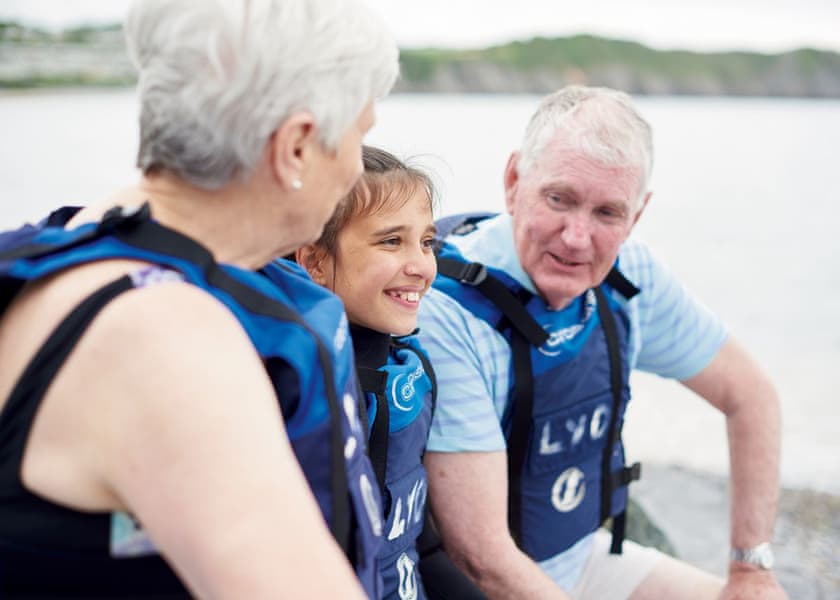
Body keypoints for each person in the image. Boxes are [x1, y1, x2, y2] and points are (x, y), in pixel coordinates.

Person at [0, 0, 397, 597]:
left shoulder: (75, 251)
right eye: (359, 137)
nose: (353, 173)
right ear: (296, 147)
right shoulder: (162, 338)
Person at [417, 85, 786, 599]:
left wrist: (750, 567)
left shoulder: (631, 280)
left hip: (583, 559)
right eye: (559, 199)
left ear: (637, 215)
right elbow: (483, 558)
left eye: (608, 213)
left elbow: (752, 397)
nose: (576, 237)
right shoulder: (446, 309)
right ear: (513, 180)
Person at [295, 146, 485, 600]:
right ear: (315, 261)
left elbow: (417, 544)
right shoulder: (306, 393)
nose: (421, 267)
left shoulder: (409, 369)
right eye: (390, 241)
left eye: (427, 243)